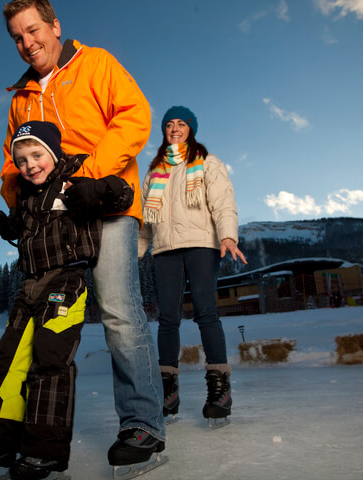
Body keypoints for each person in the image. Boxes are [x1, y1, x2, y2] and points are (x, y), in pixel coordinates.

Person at [0, 0, 166, 470]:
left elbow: (134, 115)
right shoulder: (20, 98)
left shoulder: (95, 63)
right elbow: (13, 162)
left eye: (33, 30)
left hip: (107, 201)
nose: (27, 43)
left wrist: (89, 176)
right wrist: (16, 206)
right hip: (54, 220)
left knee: (116, 308)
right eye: (17, 36)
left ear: (54, 26)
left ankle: (143, 424)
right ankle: (29, 434)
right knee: (44, 320)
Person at [0, 120, 134, 479]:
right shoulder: (26, 195)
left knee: (50, 361)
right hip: (30, 287)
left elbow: (123, 195)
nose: (30, 165)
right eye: (21, 160)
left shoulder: (75, 175)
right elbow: (28, 228)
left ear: (53, 153)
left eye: (37, 155)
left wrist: (102, 188)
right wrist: (13, 226)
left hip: (66, 281)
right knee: (7, 361)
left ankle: (44, 451)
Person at [138, 106, 248, 427]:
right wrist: (134, 254)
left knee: (205, 311)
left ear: (191, 129)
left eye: (181, 123)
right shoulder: (154, 171)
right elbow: (145, 223)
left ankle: (219, 392)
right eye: (169, 124)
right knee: (168, 319)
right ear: (164, 131)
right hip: (165, 250)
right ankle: (168, 392)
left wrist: (227, 235)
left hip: (202, 244)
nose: (175, 128)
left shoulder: (207, 163)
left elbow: (223, 202)